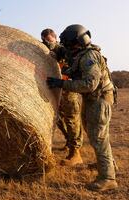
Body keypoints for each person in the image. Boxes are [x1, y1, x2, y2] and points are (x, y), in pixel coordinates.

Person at [46, 24, 118, 191]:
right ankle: (110, 166)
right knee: (95, 135)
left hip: (99, 100)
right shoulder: (81, 53)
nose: (66, 46)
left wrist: (62, 83)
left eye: (68, 43)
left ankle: (108, 178)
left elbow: (89, 84)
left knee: (98, 138)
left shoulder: (89, 57)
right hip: (93, 100)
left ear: (76, 42)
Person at [41, 28, 84, 166]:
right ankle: (68, 141)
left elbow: (62, 55)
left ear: (55, 38)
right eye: (44, 40)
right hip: (57, 89)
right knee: (59, 119)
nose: (47, 43)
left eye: (48, 40)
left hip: (69, 89)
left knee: (72, 120)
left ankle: (75, 153)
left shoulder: (64, 50)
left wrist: (51, 48)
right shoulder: (50, 53)